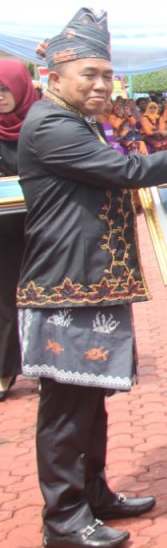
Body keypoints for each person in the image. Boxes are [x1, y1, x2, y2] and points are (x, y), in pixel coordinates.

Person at [16, 8, 167, 548]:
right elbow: (123, 172)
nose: (102, 84)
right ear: (53, 78)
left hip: (94, 283)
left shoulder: (77, 123)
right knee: (65, 410)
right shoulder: (50, 125)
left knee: (92, 398)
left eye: (107, 74)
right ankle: (63, 521)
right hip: (65, 285)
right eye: (90, 73)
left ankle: (95, 494)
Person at [0, 60, 39, 401]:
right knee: (4, 301)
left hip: (40, 227)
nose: (0, 98)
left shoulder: (40, 126)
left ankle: (44, 365)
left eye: (5, 89)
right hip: (2, 233)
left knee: (41, 297)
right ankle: (5, 370)